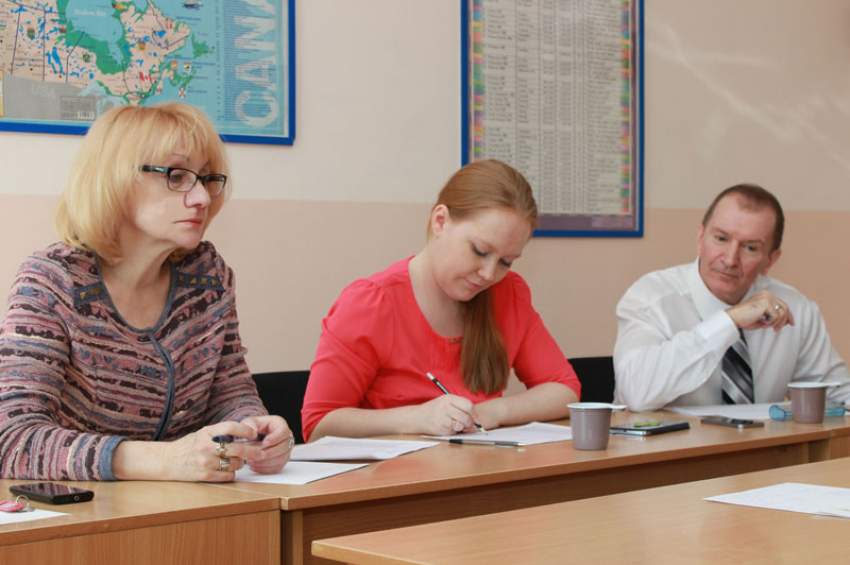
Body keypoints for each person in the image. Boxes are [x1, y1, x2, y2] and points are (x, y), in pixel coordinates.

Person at [0, 103, 293, 481]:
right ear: (116, 180)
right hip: (81, 508)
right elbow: (12, 439)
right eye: (177, 176)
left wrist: (255, 432)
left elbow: (229, 394)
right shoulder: (54, 281)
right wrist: (165, 460)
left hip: (182, 503)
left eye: (206, 179)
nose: (202, 198)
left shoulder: (207, 277)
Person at [301, 159, 581, 441]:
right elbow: (319, 425)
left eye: (506, 261)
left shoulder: (508, 294)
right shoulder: (372, 303)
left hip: (480, 465)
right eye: (480, 251)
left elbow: (564, 389)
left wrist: (493, 411)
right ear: (440, 221)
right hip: (395, 469)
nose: (488, 274)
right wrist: (416, 418)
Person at [614, 184, 850, 411]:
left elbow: (838, 394)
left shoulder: (794, 308)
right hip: (675, 441)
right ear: (700, 237)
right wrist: (728, 321)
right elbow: (636, 393)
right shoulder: (651, 298)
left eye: (750, 248)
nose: (730, 259)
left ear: (771, 260)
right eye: (721, 239)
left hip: (764, 440)